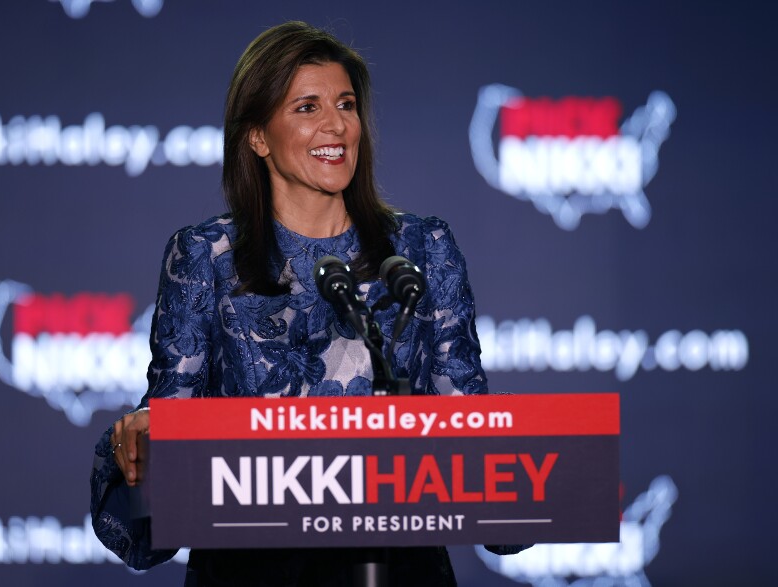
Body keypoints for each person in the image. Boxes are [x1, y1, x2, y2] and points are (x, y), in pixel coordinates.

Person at [91, 20, 525, 586]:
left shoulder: (420, 249)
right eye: (306, 107)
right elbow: (169, 430)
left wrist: (517, 445)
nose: (336, 124)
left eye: (346, 104)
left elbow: (470, 431)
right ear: (258, 137)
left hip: (401, 570)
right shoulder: (207, 257)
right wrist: (141, 439)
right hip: (252, 574)